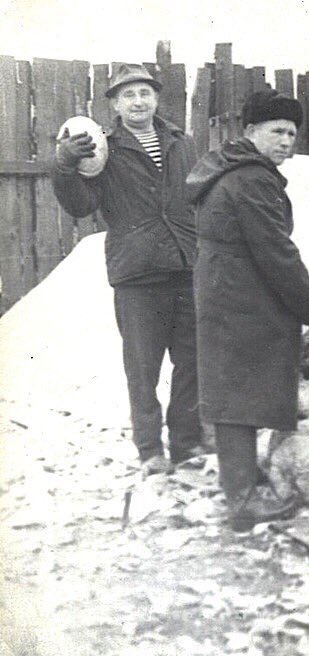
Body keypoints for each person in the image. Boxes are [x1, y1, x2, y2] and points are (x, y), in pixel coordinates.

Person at [52, 64, 203, 476]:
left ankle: (187, 442)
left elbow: (197, 196)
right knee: (143, 367)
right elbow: (81, 205)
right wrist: (64, 166)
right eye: (128, 95)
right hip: (138, 271)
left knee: (192, 361)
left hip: (186, 265)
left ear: (156, 98)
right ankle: (150, 449)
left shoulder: (181, 143)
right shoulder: (102, 148)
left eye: (145, 93)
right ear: (116, 105)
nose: (138, 102)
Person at [186, 89, 309, 532]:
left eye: (292, 134)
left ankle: (241, 480)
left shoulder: (233, 169)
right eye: (277, 131)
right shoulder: (250, 178)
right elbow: (276, 251)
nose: (286, 141)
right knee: (238, 393)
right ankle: (242, 499)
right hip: (242, 294)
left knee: (235, 387)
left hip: (229, 288)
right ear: (250, 131)